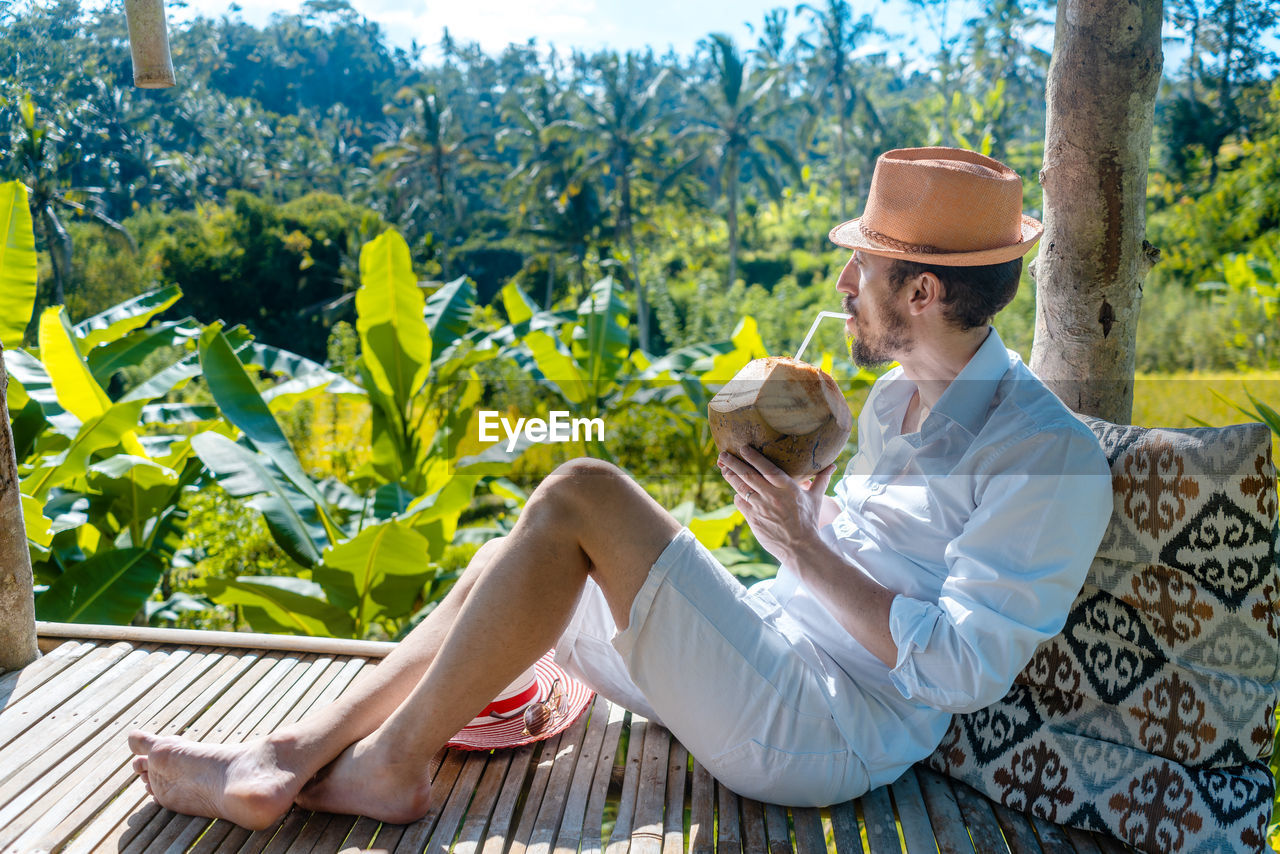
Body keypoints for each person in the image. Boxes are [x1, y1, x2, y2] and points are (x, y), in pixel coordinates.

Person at [128, 146, 1113, 829]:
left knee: (582, 490)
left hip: (823, 732)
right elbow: (858, 564)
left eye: (858, 267)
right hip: (773, 651)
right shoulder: (898, 395)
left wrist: (806, 547)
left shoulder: (1043, 453)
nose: (842, 286)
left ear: (922, 292)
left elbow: (960, 669)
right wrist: (797, 516)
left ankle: (388, 765)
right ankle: (288, 753)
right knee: (498, 562)